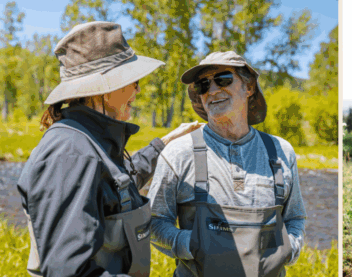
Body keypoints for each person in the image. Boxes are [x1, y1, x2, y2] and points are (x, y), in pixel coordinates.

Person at [16, 21, 200, 276]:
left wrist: (164, 144)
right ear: (105, 88)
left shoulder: (87, 140)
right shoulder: (70, 154)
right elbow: (68, 271)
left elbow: (116, 190)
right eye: (133, 80)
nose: (138, 89)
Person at [148, 51, 306, 276]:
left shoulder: (282, 152)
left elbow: (295, 218)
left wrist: (290, 249)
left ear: (249, 87)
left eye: (223, 79)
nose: (212, 90)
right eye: (203, 85)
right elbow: (154, 223)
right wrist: (191, 243)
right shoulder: (178, 153)